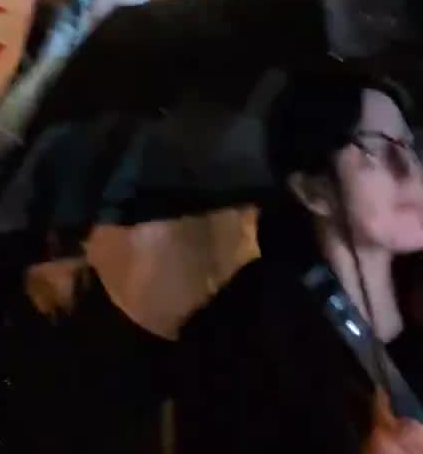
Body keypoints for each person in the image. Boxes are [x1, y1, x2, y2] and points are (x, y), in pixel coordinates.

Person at [173, 64, 423, 454]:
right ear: (312, 189)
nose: (409, 170)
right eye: (374, 148)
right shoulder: (244, 337)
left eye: (410, 145)